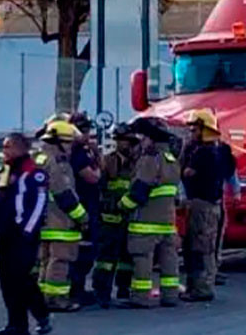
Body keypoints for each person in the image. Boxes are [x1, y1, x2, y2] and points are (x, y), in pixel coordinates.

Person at [118, 117, 181, 308]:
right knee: (169, 261)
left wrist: (121, 205)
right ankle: (170, 296)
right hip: (167, 223)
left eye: (142, 138)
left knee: (142, 260)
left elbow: (139, 191)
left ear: (150, 139)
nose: (140, 141)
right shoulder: (171, 159)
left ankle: (140, 297)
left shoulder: (149, 159)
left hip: (145, 223)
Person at [0, 133, 52, 335]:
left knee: (22, 279)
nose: (5, 151)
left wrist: (27, 231)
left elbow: (39, 204)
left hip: (23, 236)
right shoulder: (5, 170)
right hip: (6, 234)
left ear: (21, 148)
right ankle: (16, 325)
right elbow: (1, 202)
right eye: (4, 147)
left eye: (8, 147)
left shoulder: (33, 172)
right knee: (8, 283)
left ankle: (41, 315)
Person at [179, 109, 236, 302]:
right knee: (208, 247)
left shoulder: (203, 152)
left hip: (201, 205)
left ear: (205, 129)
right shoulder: (222, 150)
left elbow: (186, 172)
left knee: (199, 247)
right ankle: (205, 285)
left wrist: (184, 154)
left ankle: (201, 289)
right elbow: (230, 173)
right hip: (214, 204)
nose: (191, 133)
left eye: (194, 129)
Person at [36, 120, 88, 312]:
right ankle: (56, 300)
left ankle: (43, 298)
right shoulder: (58, 163)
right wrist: (82, 217)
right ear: (58, 142)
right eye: (67, 143)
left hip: (44, 222)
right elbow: (64, 194)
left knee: (46, 262)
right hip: (60, 223)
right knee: (60, 262)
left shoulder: (39, 158)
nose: (69, 148)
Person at [92, 123, 139, 308]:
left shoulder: (138, 162)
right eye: (121, 141)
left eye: (127, 141)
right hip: (110, 218)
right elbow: (99, 186)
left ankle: (123, 289)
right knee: (106, 259)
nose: (125, 144)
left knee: (127, 258)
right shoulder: (107, 161)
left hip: (130, 217)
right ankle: (101, 291)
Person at [67, 113, 102, 306]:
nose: (87, 133)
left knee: (88, 249)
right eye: (83, 130)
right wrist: (97, 168)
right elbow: (93, 177)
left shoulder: (86, 151)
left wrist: (96, 153)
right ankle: (75, 289)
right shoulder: (77, 153)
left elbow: (99, 168)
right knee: (83, 250)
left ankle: (77, 288)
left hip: (90, 203)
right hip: (82, 205)